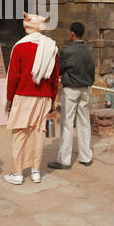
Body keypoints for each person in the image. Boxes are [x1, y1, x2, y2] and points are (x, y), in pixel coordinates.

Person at [4, 12, 59, 185]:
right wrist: (52, 100)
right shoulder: (51, 47)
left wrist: (9, 99)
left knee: (19, 133)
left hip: (23, 95)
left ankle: (17, 173)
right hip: (43, 97)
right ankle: (35, 171)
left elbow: (13, 76)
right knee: (38, 133)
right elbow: (54, 78)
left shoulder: (20, 46)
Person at [48, 22, 95, 170]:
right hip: (84, 89)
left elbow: (59, 70)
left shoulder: (68, 51)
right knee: (84, 123)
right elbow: (92, 70)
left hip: (71, 90)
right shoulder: (87, 51)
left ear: (72, 34)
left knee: (67, 124)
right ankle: (86, 157)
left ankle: (64, 160)